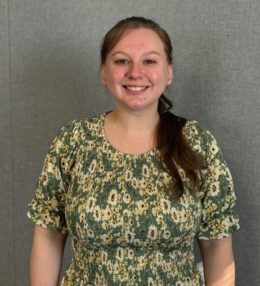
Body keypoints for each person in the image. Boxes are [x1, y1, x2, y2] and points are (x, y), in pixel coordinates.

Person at [27, 16, 240, 286]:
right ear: (104, 72)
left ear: (169, 71)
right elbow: (48, 235)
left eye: (149, 61)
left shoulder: (197, 143)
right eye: (121, 60)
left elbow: (217, 248)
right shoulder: (73, 140)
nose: (135, 72)